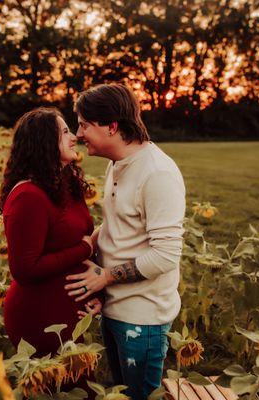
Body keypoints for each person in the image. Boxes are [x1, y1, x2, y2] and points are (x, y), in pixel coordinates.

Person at [64, 83, 186, 400]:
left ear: (112, 126)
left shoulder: (157, 173)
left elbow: (165, 256)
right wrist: (83, 248)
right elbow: (116, 225)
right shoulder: (116, 163)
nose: (78, 134)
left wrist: (104, 276)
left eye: (84, 125)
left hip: (142, 319)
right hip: (115, 308)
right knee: (120, 392)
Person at [0, 107, 102, 394]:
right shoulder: (27, 196)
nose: (75, 137)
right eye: (65, 131)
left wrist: (95, 294)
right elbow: (24, 269)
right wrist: (83, 249)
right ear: (44, 142)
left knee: (79, 390)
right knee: (65, 390)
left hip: (70, 311)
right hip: (39, 318)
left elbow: (75, 241)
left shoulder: (66, 184)